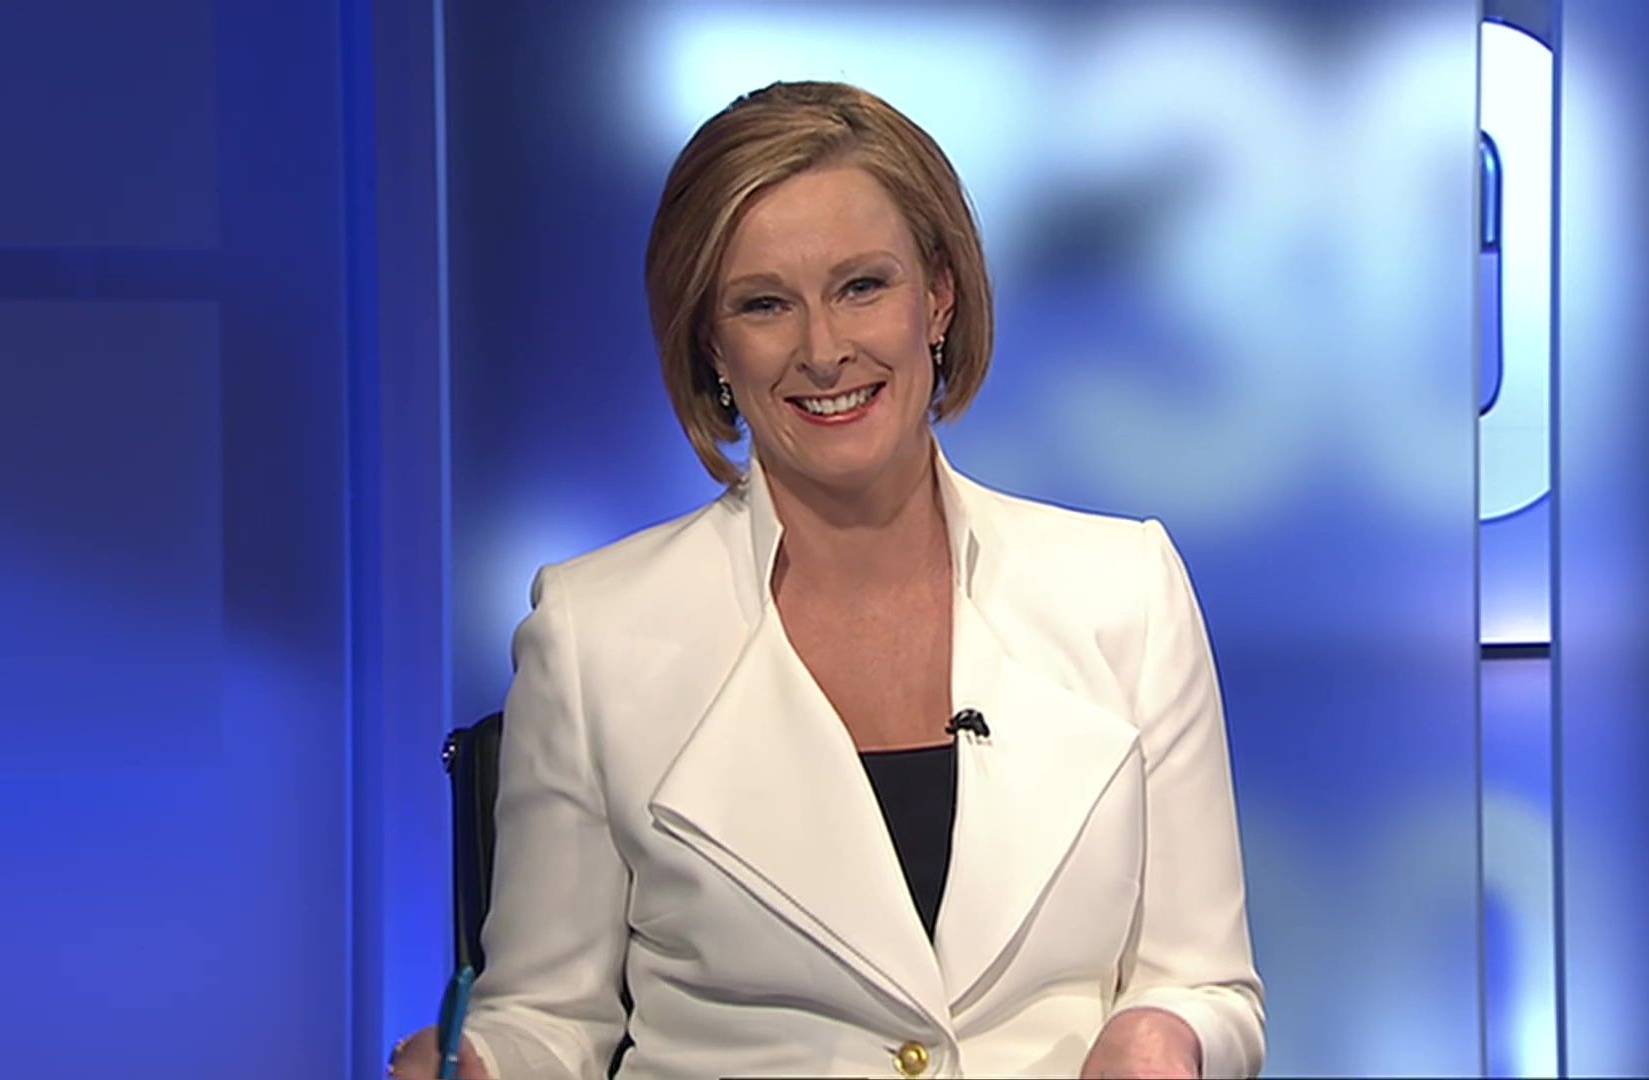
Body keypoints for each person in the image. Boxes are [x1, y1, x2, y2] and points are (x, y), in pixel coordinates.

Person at [391, 80, 1265, 1080]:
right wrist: (478, 1064)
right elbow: (550, 1020)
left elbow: (1205, 983)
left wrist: (1162, 1037)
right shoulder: (594, 633)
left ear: (938, 297)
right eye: (765, 304)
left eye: (862, 287)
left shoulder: (1126, 593)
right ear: (712, 342)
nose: (824, 350)